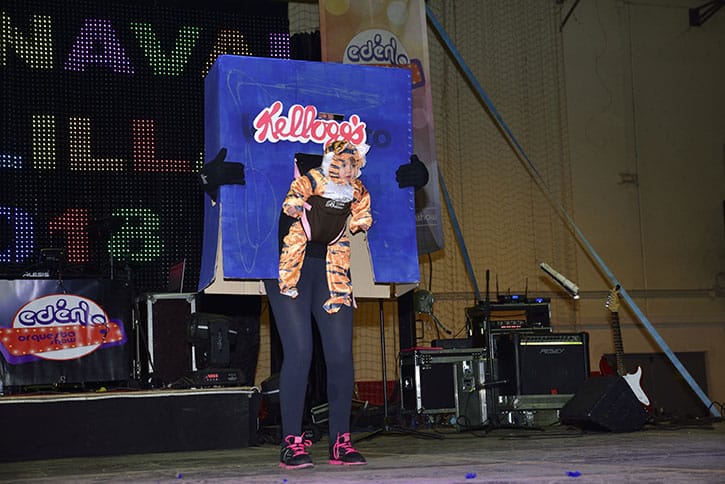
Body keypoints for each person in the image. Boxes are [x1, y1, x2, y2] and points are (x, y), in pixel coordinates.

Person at [265, 139, 372, 469]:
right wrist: (213, 183)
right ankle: (291, 441)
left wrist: (412, 179)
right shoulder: (276, 141)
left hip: (331, 265)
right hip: (287, 262)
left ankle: (341, 440)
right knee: (300, 351)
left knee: (340, 354)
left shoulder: (347, 156)